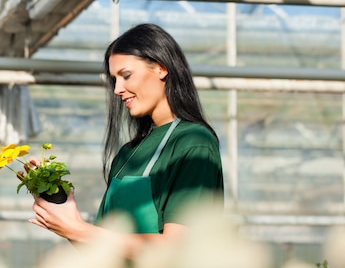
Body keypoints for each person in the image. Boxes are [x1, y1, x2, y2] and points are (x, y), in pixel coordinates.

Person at [29, 23, 224, 256]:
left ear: (161, 68)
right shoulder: (127, 154)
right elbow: (103, 253)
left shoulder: (193, 143)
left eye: (126, 75)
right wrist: (66, 215)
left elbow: (176, 249)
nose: (117, 89)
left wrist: (81, 230)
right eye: (114, 79)